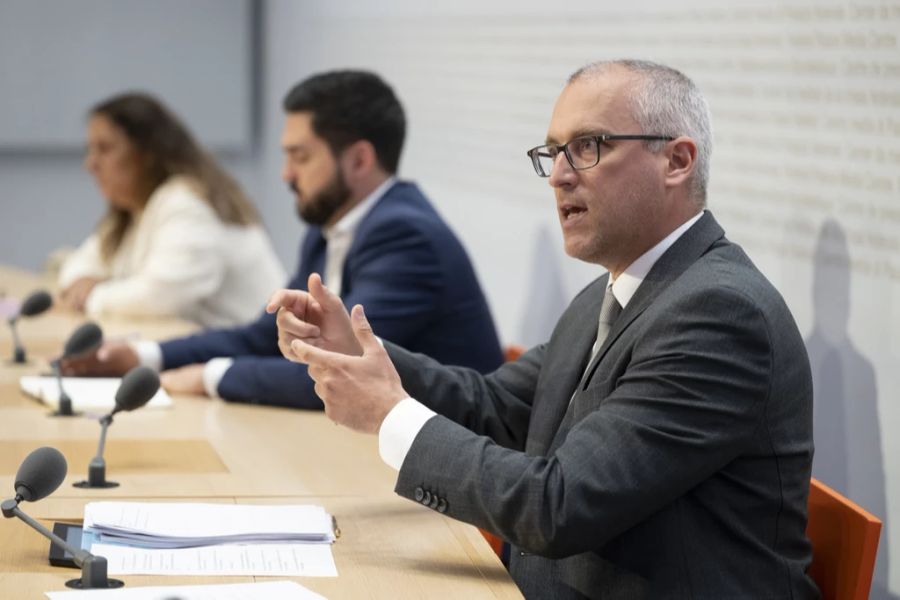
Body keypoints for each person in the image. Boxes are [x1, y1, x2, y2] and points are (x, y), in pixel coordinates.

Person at [269, 60, 819, 598]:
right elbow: (496, 407)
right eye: (553, 152)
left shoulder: (718, 315)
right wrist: (362, 355)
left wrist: (391, 414)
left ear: (676, 161)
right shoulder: (612, 291)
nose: (559, 175)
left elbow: (559, 507)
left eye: (588, 146)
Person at [63, 70, 504, 409]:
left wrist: (208, 377)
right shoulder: (329, 227)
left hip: (445, 495)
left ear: (359, 159)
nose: (286, 174)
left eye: (301, 156)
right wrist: (144, 355)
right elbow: (260, 336)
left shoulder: (406, 237)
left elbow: (344, 371)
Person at [58, 93, 285, 327]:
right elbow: (81, 263)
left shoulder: (187, 203)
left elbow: (161, 296)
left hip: (255, 354)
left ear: (145, 154)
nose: (91, 164)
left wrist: (93, 296)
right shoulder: (133, 210)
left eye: (104, 149)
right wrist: (84, 280)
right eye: (91, 150)